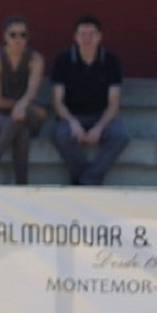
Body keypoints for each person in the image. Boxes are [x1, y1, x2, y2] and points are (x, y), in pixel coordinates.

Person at [50, 14, 130, 185]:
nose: (87, 38)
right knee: (61, 134)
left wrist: (99, 127)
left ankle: (88, 178)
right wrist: (73, 123)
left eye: (92, 34)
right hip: (71, 116)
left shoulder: (111, 61)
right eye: (82, 34)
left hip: (100, 116)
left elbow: (114, 103)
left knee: (120, 136)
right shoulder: (63, 60)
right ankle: (86, 178)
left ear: (100, 36)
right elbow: (57, 101)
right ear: (75, 36)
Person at [0, 14, 47, 184]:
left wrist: (23, 107)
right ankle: (22, 184)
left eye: (23, 35)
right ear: (5, 36)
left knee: (21, 120)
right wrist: (20, 107)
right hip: (0, 114)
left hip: (28, 111)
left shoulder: (35, 59)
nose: (18, 39)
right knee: (21, 130)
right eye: (13, 35)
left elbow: (32, 91)